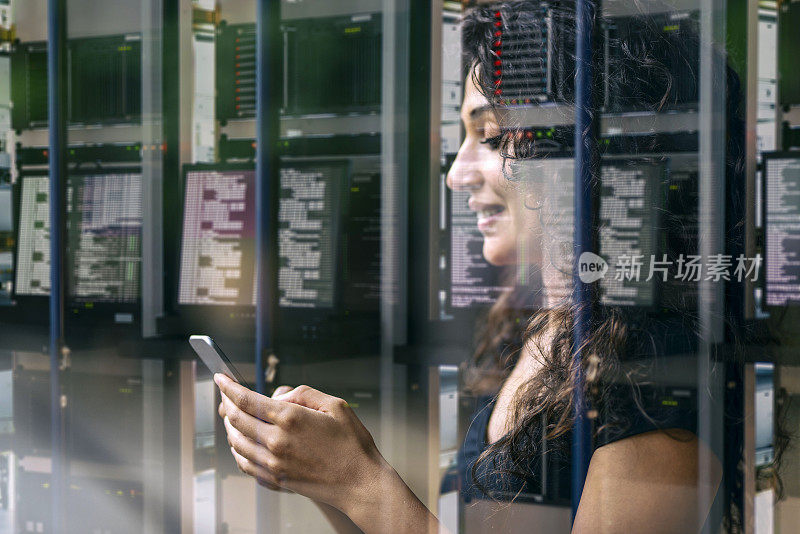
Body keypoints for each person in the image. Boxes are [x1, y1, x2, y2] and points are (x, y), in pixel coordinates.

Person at [216, 2, 737, 532]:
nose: (456, 175)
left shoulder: (655, 365)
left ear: (584, 152)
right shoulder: (533, 325)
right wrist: (326, 476)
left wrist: (359, 480)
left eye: (488, 137)